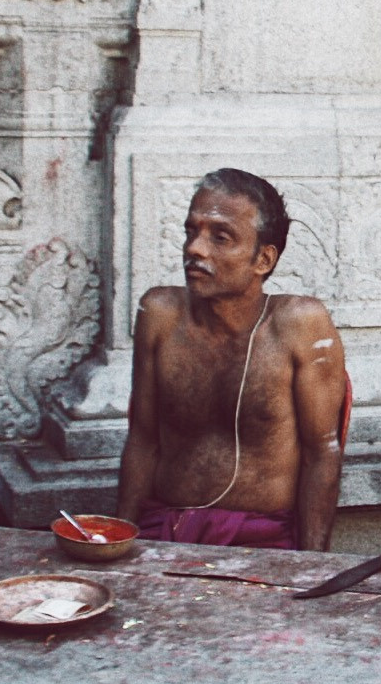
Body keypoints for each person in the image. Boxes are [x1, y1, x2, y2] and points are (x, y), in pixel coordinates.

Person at [116, 168, 347, 550]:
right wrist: (117, 542)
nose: (195, 248)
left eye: (220, 238)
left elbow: (321, 454)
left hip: (264, 540)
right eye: (192, 231)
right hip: (165, 531)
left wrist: (312, 566)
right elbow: (142, 438)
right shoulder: (160, 315)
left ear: (263, 260)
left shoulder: (298, 325)